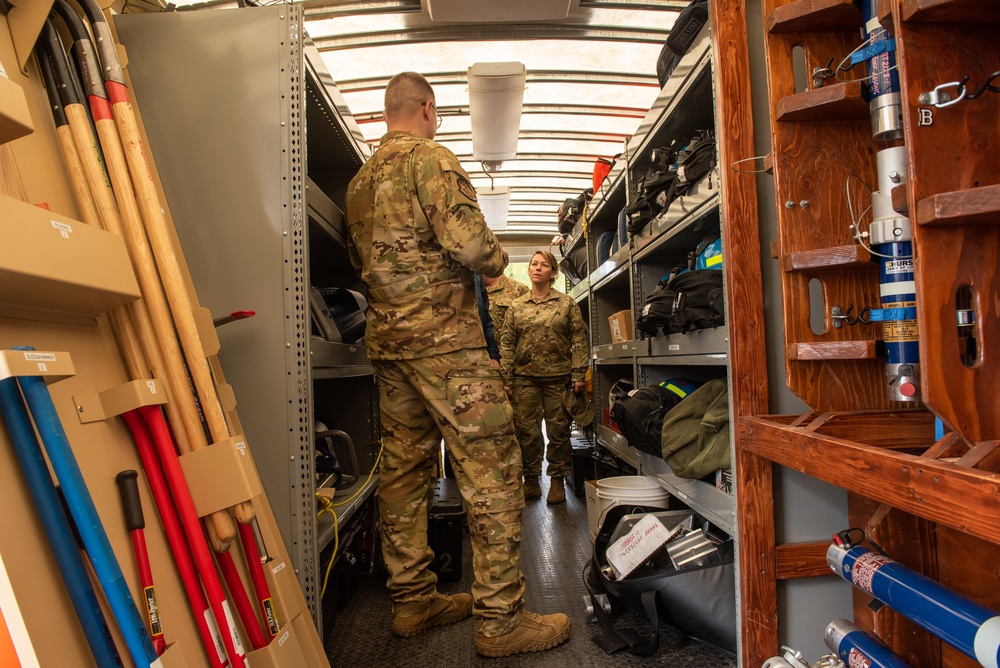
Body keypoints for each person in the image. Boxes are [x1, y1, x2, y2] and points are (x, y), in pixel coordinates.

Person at [344, 71, 570, 657]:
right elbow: (474, 249)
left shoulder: (359, 183)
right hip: (448, 345)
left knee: (402, 472)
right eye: (435, 111)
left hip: (391, 347)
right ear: (426, 107)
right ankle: (500, 620)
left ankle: (412, 601)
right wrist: (498, 258)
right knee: (493, 468)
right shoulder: (431, 160)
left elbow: (356, 259)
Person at [499, 250, 589, 505]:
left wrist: (578, 373)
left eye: (544, 265)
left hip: (558, 379)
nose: (537, 268)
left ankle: (558, 482)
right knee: (526, 433)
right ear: (528, 270)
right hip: (524, 379)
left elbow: (579, 340)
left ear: (553, 272)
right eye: (534, 264)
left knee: (558, 432)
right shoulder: (517, 306)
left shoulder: (566, 303)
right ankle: (531, 482)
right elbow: (507, 343)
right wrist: (506, 378)